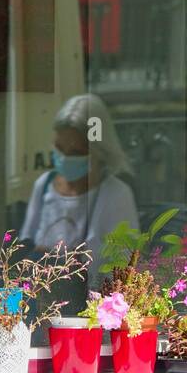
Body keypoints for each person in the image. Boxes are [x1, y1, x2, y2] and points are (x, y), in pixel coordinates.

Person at [19, 93, 139, 287]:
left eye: (75, 152)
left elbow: (126, 268)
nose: (65, 158)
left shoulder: (116, 195)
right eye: (59, 148)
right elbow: (24, 247)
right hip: (39, 302)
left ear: (97, 151)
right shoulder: (44, 186)